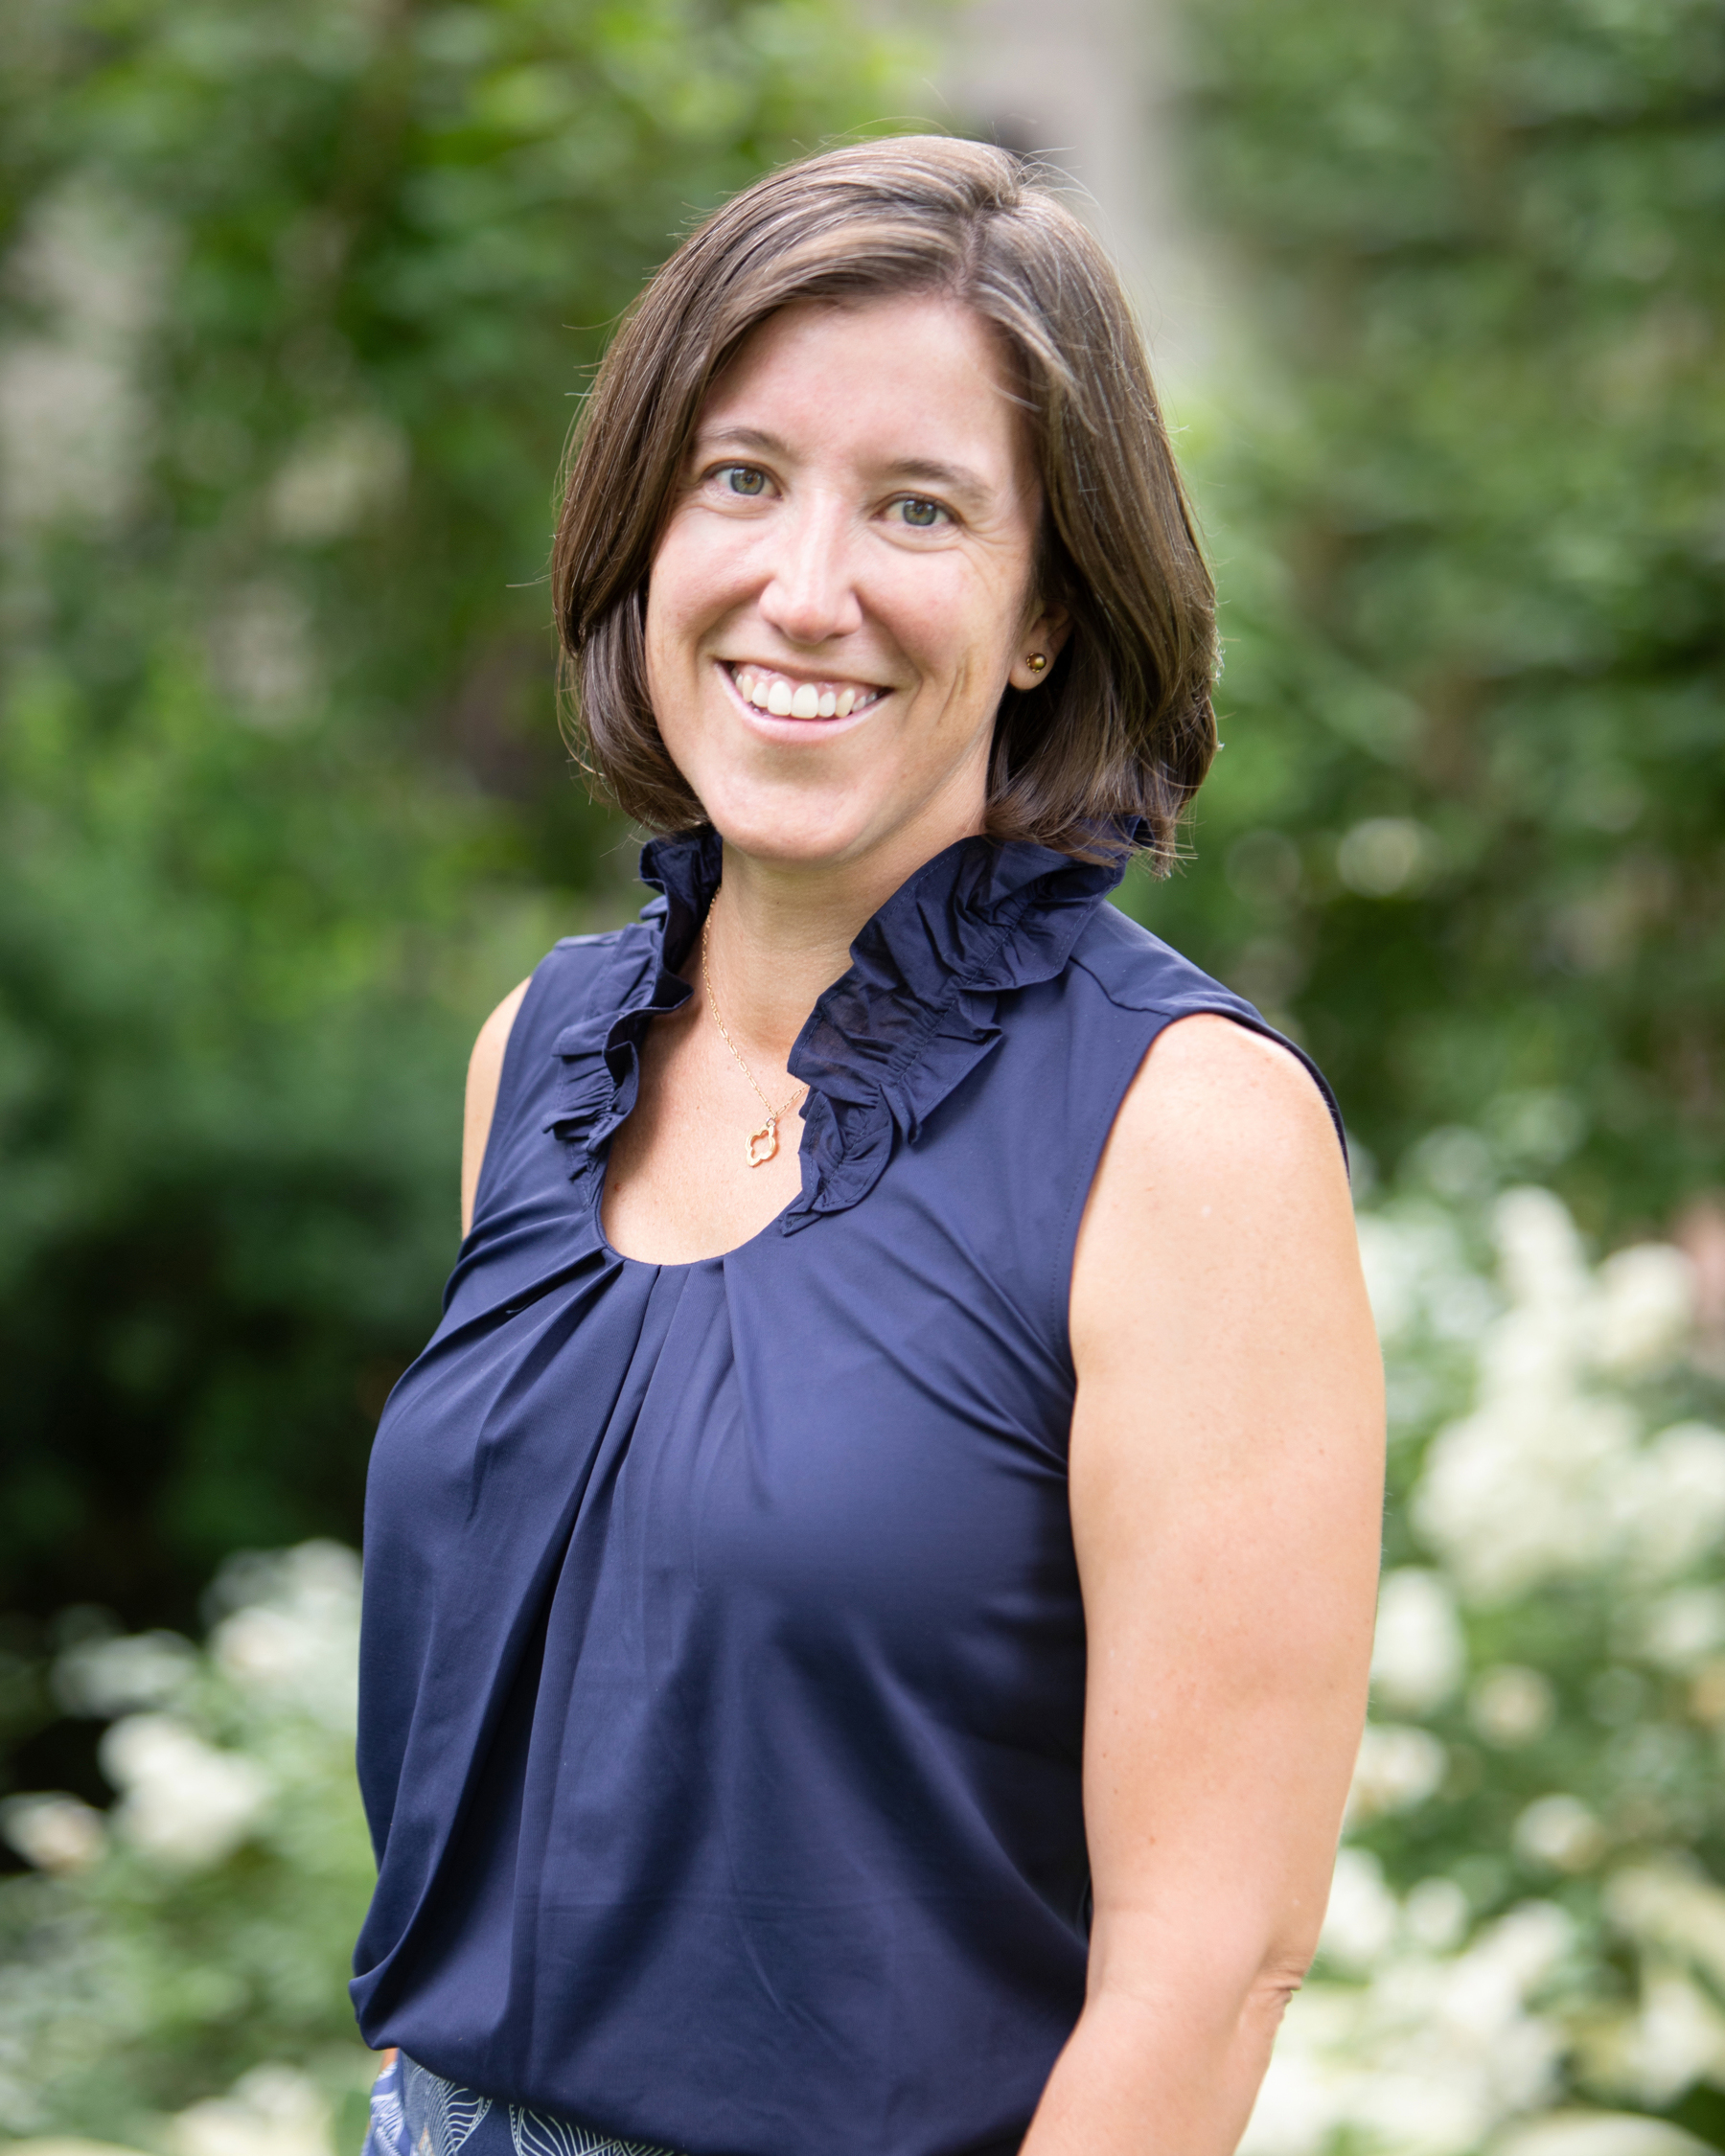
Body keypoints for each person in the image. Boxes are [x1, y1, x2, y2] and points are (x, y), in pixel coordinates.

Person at [353, 135, 1384, 2156]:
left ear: (1041, 619)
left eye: (919, 508)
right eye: (741, 477)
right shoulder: (542, 1055)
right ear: (645, 530)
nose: (803, 591)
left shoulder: (1183, 1138)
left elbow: (1213, 1962)